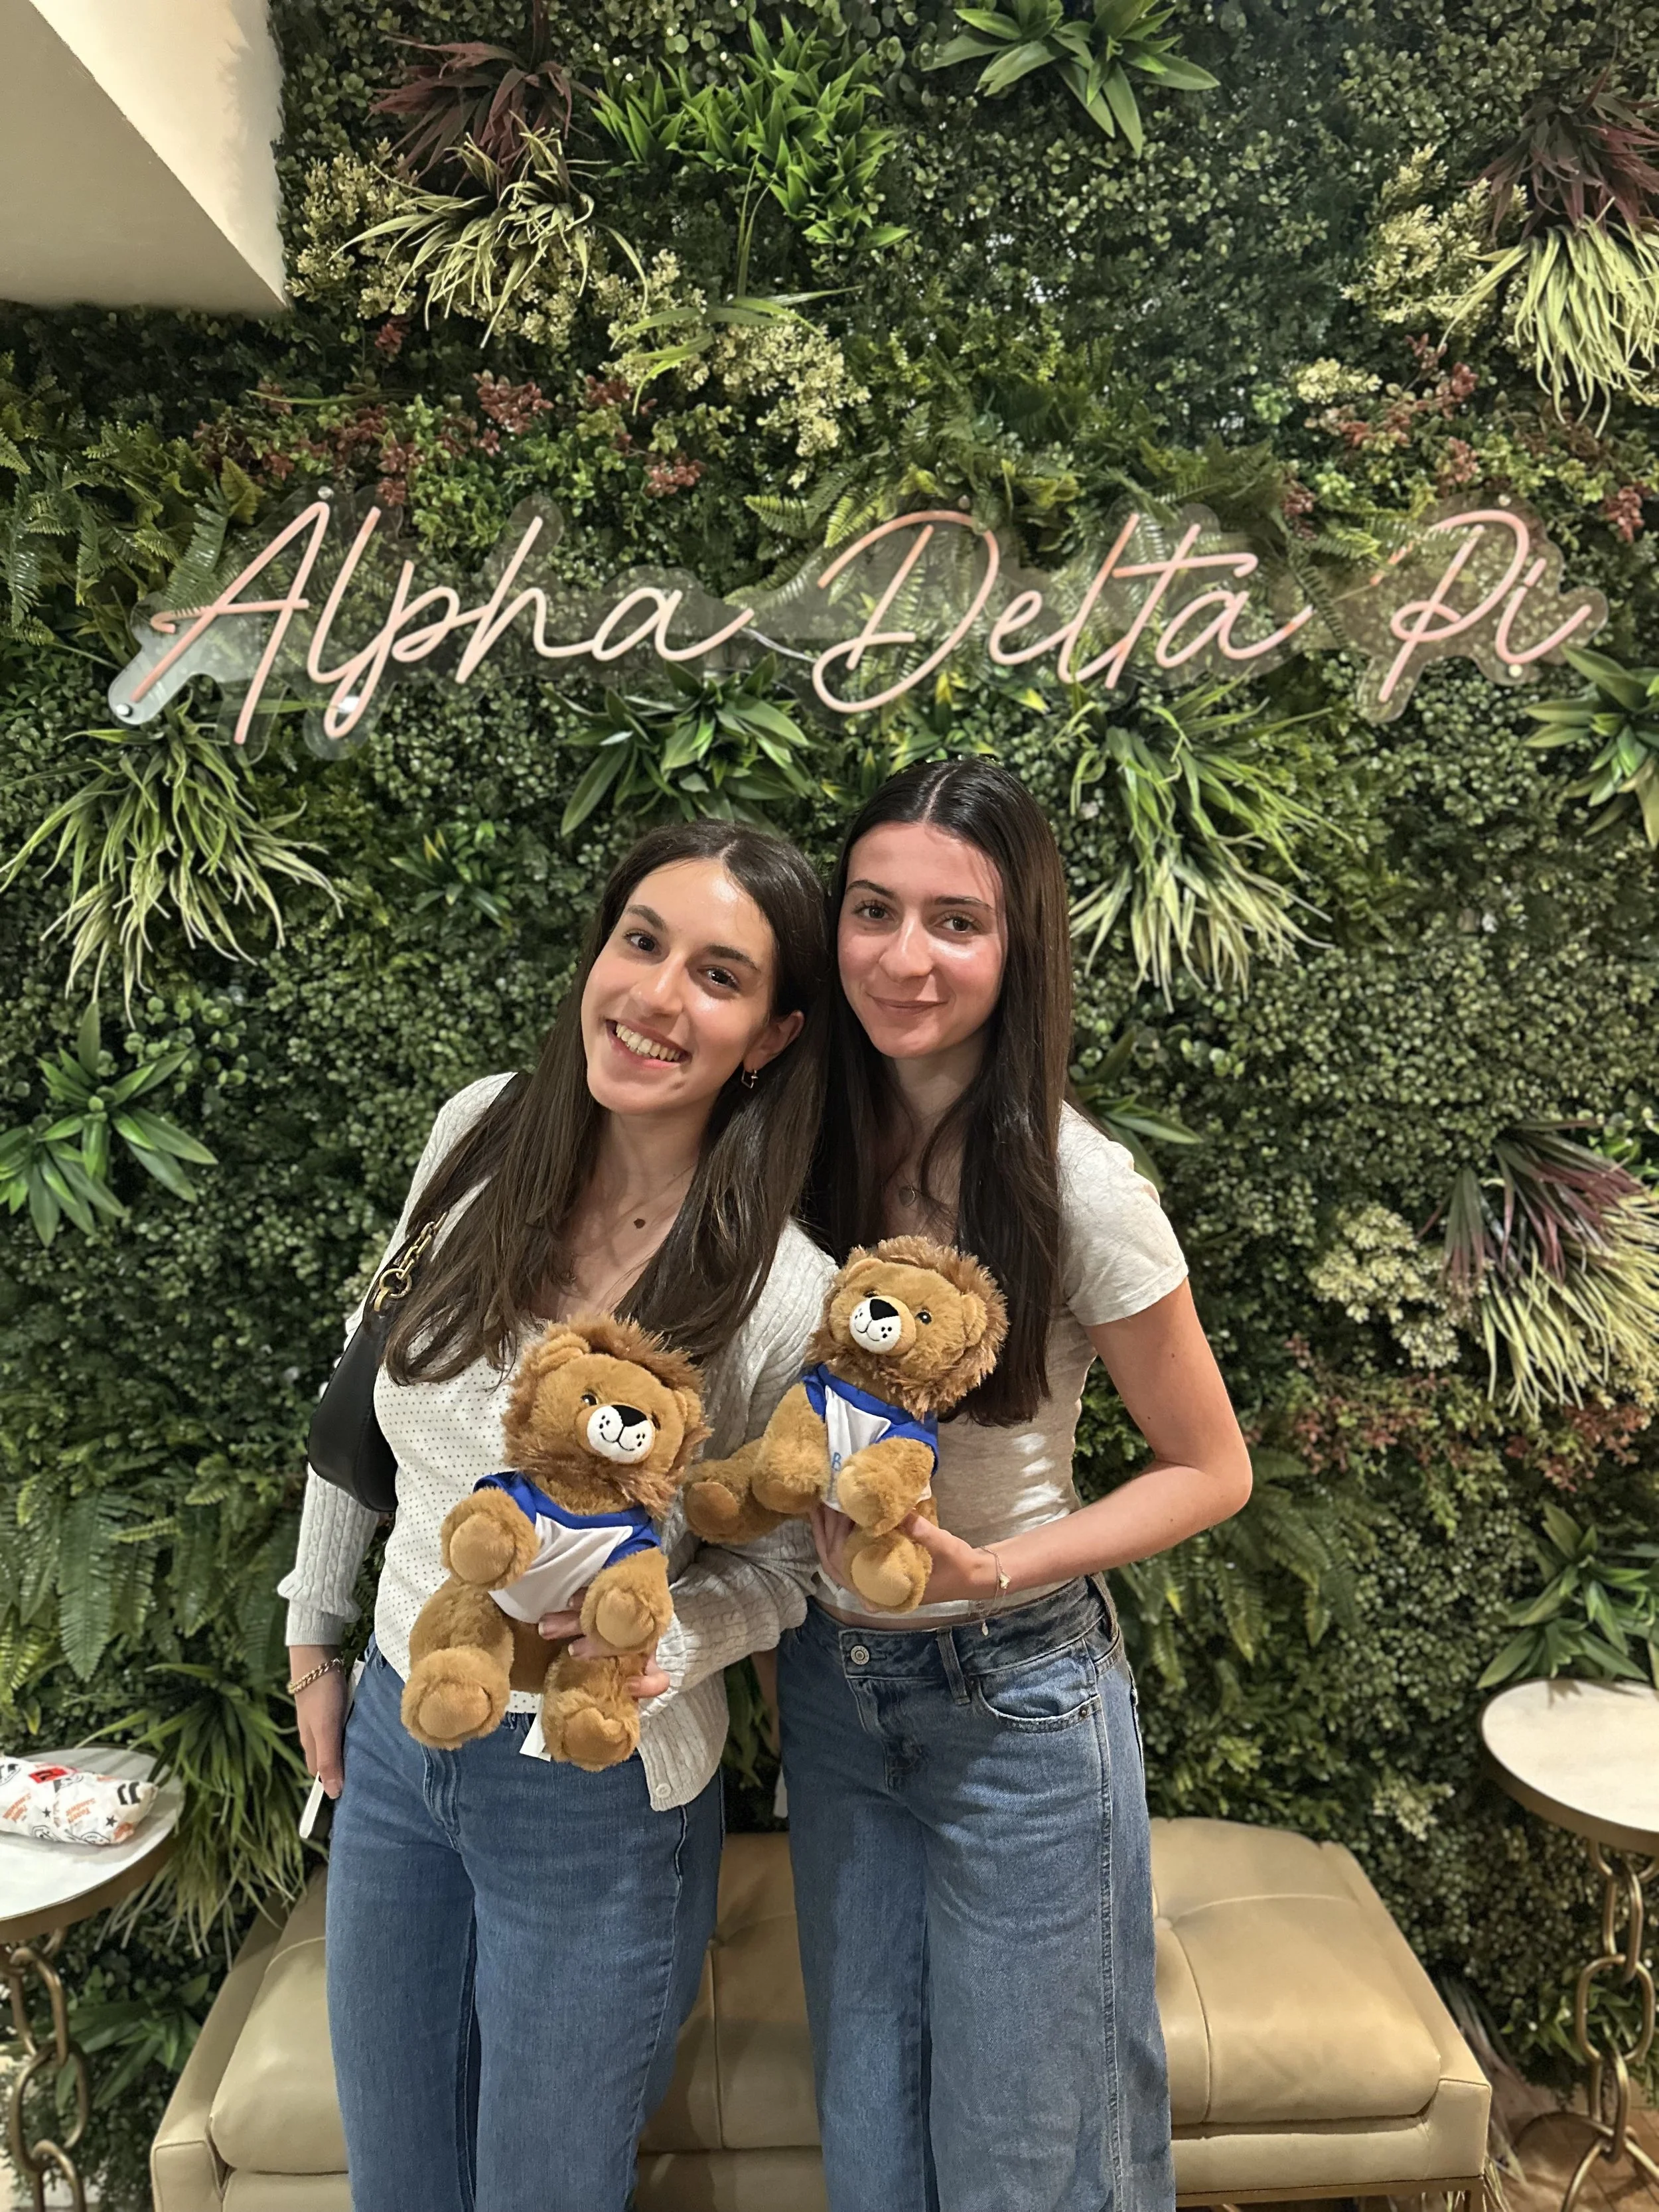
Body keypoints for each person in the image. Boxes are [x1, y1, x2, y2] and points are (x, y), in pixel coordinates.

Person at [278, 820, 835, 2212]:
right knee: (400, 2181)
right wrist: (315, 1634)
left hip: (595, 1788)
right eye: (639, 942)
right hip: (406, 1744)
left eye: (717, 975)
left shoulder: (776, 1288)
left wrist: (672, 1645)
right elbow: (363, 1390)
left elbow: (782, 1566)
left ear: (768, 1035)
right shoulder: (479, 1134)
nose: (654, 995)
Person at [778, 760, 1254, 2212]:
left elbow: (1209, 1468)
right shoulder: (789, 1140)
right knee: (870, 2139)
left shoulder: (1074, 1179)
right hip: (829, 1691)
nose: (902, 958)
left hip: (1018, 1703)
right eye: (871, 911)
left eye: (953, 922)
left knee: (1033, 2162)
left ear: (1017, 945)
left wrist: (998, 1569)